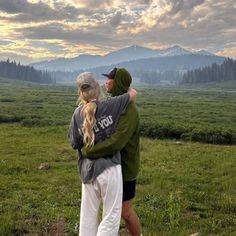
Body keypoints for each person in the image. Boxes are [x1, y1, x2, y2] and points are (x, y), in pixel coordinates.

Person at [68, 72, 137, 236]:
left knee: (87, 218)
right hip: (110, 169)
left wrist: (88, 141)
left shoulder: (77, 114)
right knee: (110, 218)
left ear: (80, 93)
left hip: (87, 172)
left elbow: (74, 143)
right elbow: (133, 93)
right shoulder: (110, 105)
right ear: (97, 89)